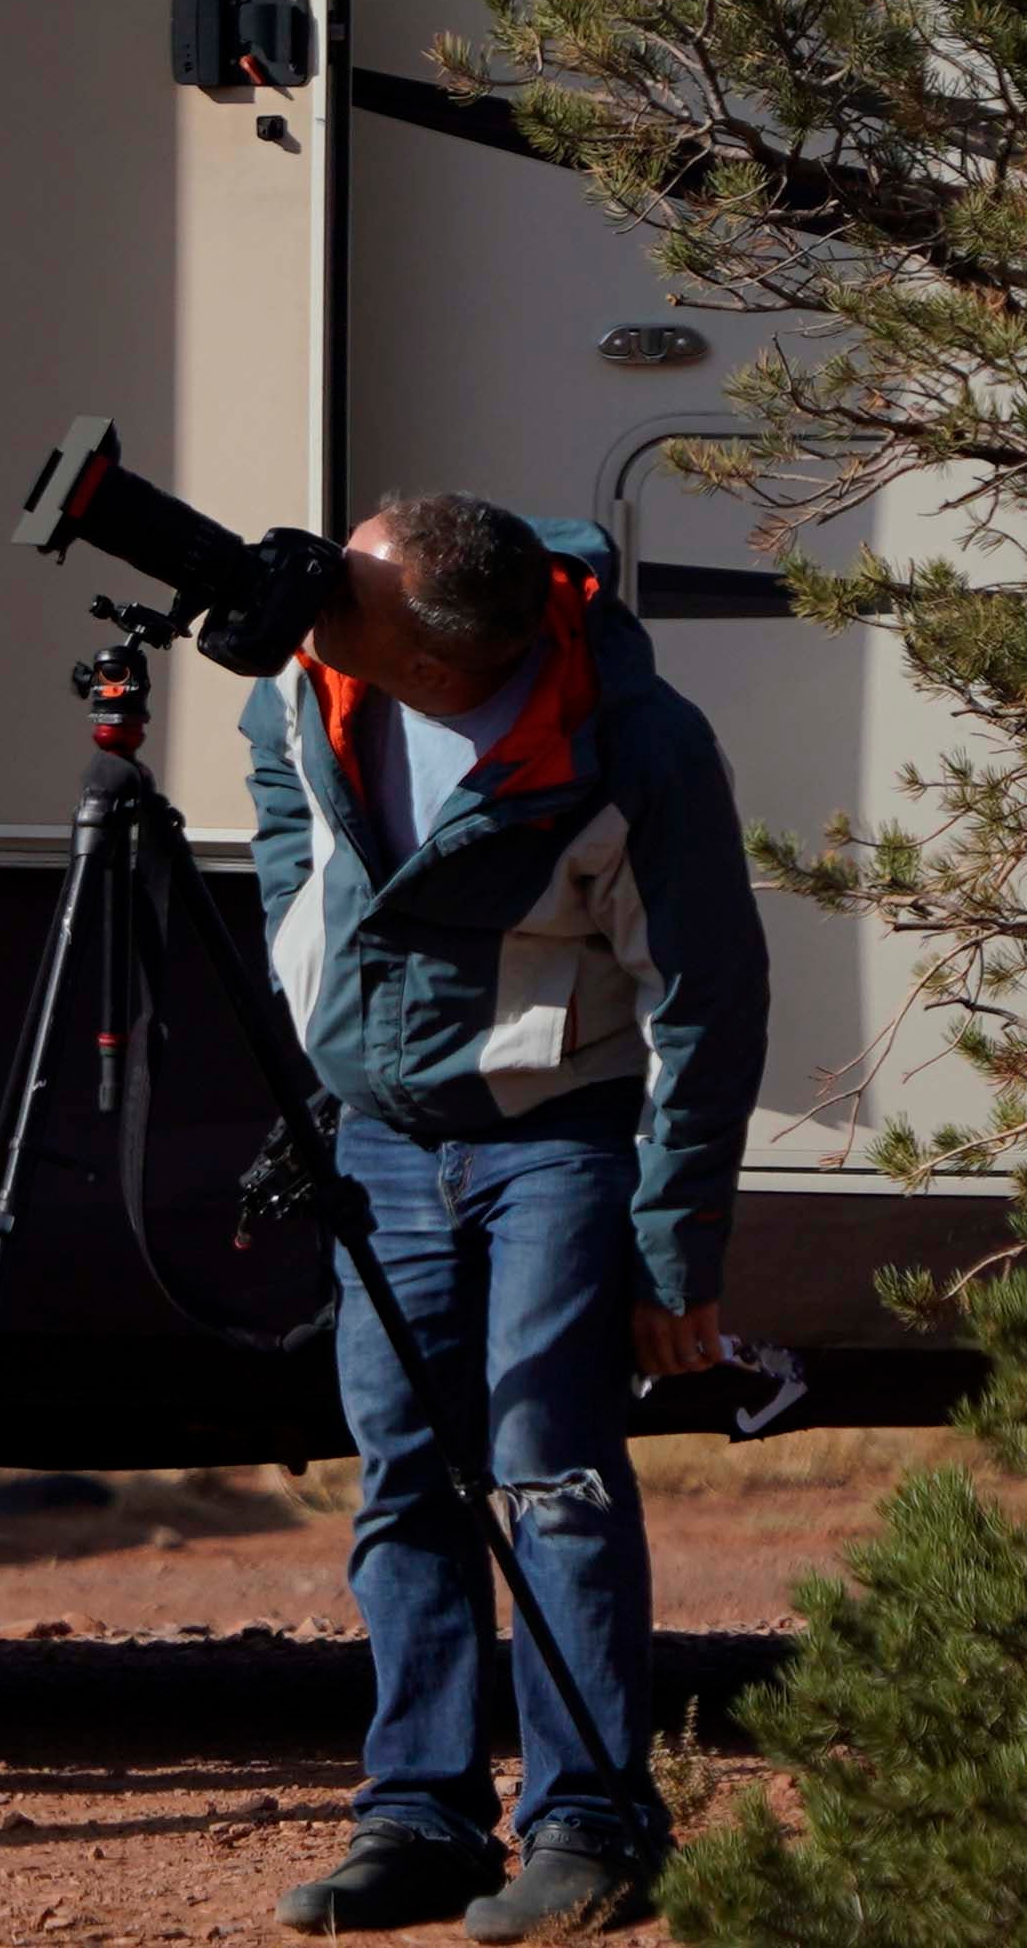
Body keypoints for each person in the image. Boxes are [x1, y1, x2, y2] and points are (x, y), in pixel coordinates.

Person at [243, 493, 764, 1941]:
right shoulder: (311, 680)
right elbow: (285, 814)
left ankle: (590, 1824)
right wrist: (313, 978)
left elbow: (706, 1001)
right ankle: (418, 1816)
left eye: (353, 590)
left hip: (558, 1137)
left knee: (550, 1471)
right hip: (381, 1142)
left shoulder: (634, 742)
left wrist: (675, 1249)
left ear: (434, 661)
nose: (317, 592)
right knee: (401, 1477)